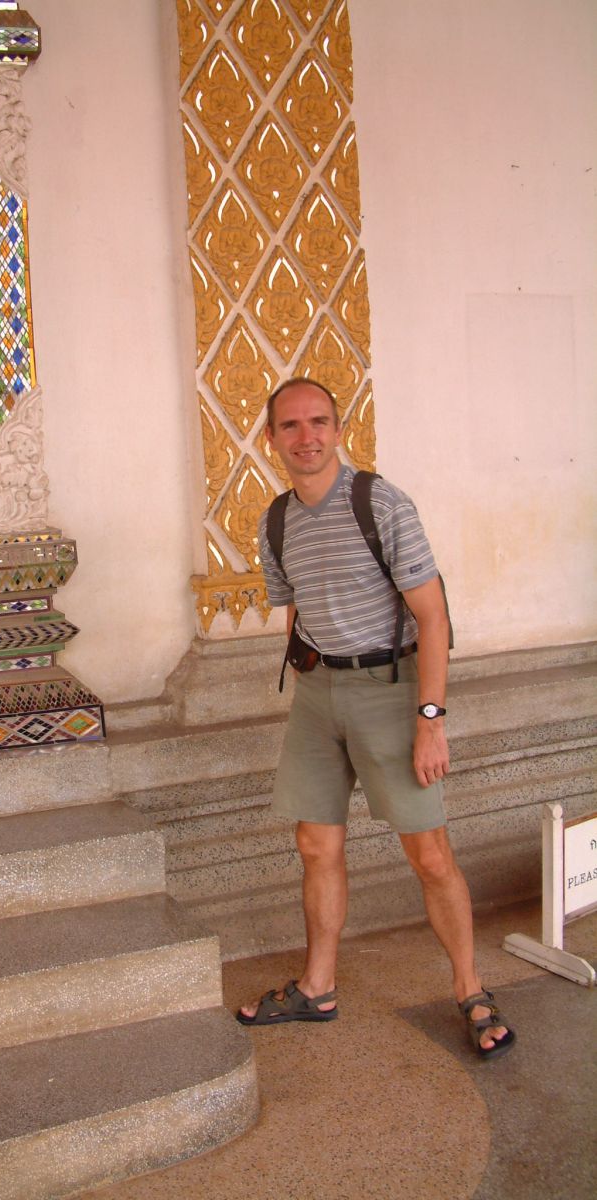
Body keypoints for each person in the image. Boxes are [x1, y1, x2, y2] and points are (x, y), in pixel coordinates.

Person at [236, 377, 515, 1061]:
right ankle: (318, 987)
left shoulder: (379, 502)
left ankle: (471, 989)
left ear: (339, 427)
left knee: (428, 852)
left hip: (391, 693)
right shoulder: (275, 520)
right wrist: (308, 671)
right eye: (291, 426)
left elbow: (433, 615)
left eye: (319, 422)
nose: (307, 438)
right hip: (318, 695)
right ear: (270, 438)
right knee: (315, 845)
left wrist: (430, 719)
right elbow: (297, 604)